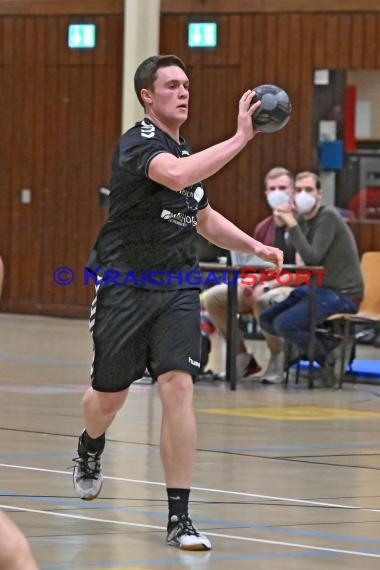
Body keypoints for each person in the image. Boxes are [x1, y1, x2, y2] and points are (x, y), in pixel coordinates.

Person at [72, 54, 283, 551]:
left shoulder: (185, 154)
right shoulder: (140, 143)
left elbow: (204, 218)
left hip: (177, 288)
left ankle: (180, 518)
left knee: (178, 385)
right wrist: (239, 139)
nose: (183, 92)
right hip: (126, 285)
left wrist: (254, 247)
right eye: (171, 85)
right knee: (108, 396)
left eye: (187, 84)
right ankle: (90, 445)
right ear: (148, 96)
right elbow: (174, 177)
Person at [260, 171, 364, 383]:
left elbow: (312, 258)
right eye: (298, 190)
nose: (302, 194)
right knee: (267, 319)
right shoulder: (302, 220)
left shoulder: (328, 217)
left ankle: (327, 359)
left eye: (308, 190)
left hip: (343, 294)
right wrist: (281, 227)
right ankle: (327, 345)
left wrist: (292, 225)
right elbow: (283, 254)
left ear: (319, 194)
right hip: (319, 289)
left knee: (285, 325)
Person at [203, 167, 296, 384]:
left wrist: (265, 284)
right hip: (263, 281)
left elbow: (300, 268)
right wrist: (249, 280)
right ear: (266, 194)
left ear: (292, 191)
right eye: (272, 189)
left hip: (291, 285)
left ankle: (277, 355)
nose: (277, 192)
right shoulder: (263, 227)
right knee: (213, 297)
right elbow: (253, 265)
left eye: (282, 188)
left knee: (263, 299)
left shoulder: (301, 224)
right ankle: (242, 357)